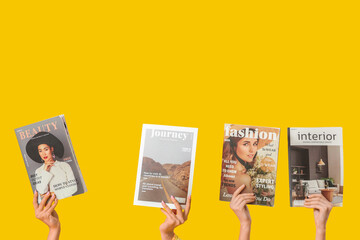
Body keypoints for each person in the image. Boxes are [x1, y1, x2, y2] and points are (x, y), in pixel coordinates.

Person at [26, 132, 77, 202]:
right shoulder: (39, 171)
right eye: (40, 151)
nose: (43, 153)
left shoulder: (64, 166)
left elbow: (73, 188)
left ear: (51, 149)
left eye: (46, 149)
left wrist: (53, 194)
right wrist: (45, 171)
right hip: (50, 206)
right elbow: (41, 191)